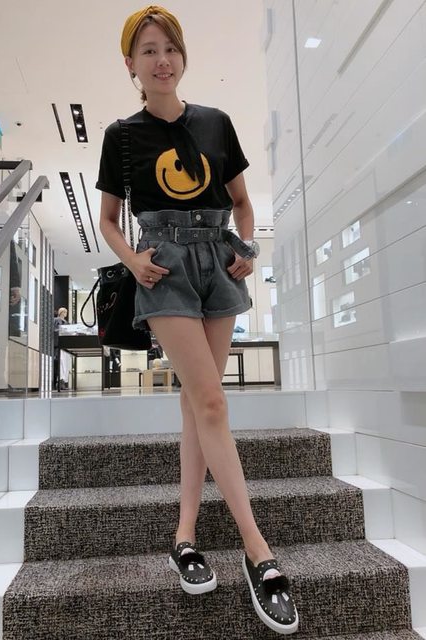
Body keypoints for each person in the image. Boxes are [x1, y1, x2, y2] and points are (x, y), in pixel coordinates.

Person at [96, 6, 298, 634]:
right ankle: (257, 550)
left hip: (218, 263)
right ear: (131, 64)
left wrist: (249, 249)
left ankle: (184, 536)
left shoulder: (216, 122)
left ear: (182, 57)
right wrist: (134, 260)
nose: (163, 60)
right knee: (211, 401)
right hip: (164, 269)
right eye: (149, 51)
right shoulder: (122, 136)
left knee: (195, 404)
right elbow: (108, 219)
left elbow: (242, 203)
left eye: (171, 49)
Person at [53, 307, 70, 390]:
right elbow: (54, 330)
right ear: (61, 312)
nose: (65, 314)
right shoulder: (56, 320)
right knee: (61, 363)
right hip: (59, 344)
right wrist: (62, 330)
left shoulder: (66, 322)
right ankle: (60, 382)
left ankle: (63, 382)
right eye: (64, 312)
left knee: (65, 364)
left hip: (65, 345)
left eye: (66, 312)